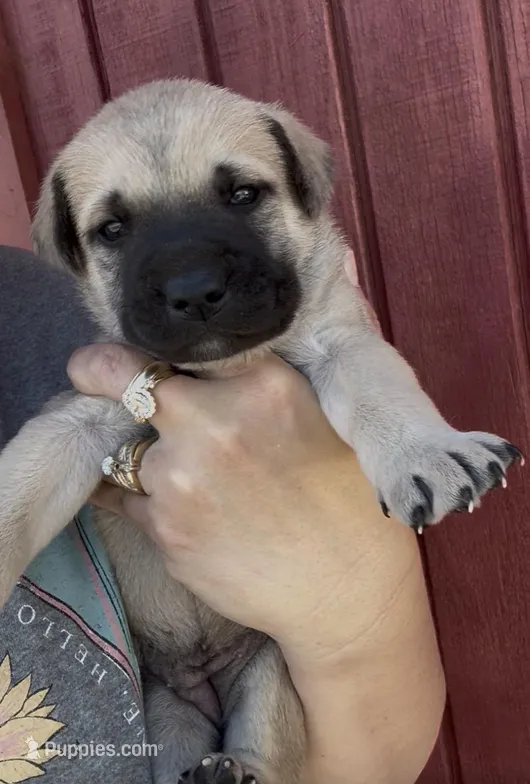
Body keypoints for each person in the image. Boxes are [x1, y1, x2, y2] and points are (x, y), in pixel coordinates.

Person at [0, 244, 445, 784]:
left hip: (264, 666)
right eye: (115, 228)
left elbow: (378, 749)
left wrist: (354, 590)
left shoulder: (46, 305)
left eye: (244, 195)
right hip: (166, 698)